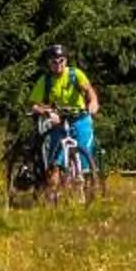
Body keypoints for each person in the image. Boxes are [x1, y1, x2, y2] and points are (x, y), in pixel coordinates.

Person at [28, 43, 101, 182]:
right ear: (49, 63)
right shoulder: (46, 80)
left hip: (80, 118)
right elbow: (34, 105)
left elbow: (89, 90)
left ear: (66, 60)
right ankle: (53, 190)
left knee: (85, 150)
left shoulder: (75, 74)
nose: (58, 64)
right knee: (55, 160)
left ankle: (88, 183)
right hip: (59, 120)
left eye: (61, 60)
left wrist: (93, 102)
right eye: (53, 62)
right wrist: (47, 113)